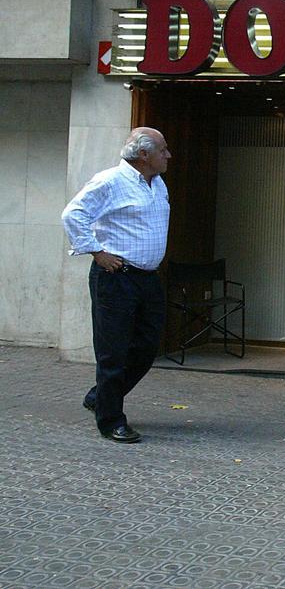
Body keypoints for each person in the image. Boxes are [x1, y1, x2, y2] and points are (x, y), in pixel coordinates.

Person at [61, 127, 172, 444]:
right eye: (163, 150)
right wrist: (96, 251)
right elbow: (73, 214)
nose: (168, 155)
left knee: (147, 347)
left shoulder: (157, 183)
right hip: (117, 277)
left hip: (147, 278)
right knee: (113, 351)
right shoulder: (110, 180)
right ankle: (111, 420)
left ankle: (100, 397)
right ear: (144, 155)